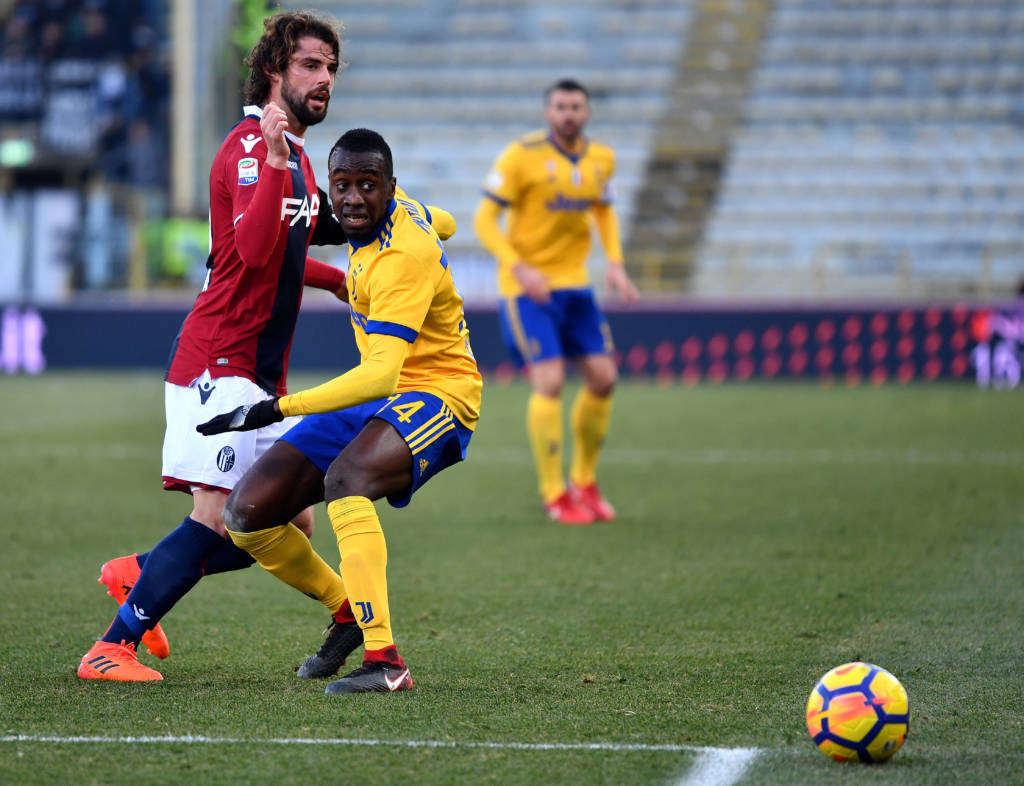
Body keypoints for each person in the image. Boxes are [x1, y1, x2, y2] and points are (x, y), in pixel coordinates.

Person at [77, 12, 453, 683]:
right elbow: (250, 254)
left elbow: (286, 250)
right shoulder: (255, 149)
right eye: (310, 65)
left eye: (331, 68)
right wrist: (278, 162)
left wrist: (340, 282)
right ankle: (111, 648)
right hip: (217, 362)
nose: (324, 79)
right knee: (219, 518)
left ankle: (144, 574)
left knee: (282, 525)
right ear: (275, 70)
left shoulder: (300, 158)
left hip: (254, 367)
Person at [195, 128, 482, 694]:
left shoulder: (403, 255)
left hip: (440, 395)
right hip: (384, 395)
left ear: (388, 186)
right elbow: (443, 219)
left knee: (345, 481)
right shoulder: (400, 212)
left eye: (368, 186)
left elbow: (380, 374)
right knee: (247, 515)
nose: (353, 199)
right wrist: (431, 222)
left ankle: (386, 661)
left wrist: (276, 408)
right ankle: (345, 611)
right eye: (343, 185)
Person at [473, 78, 639, 526]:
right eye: (561, 106)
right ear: (548, 113)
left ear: (587, 112)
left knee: (603, 378)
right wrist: (519, 267)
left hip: (576, 285)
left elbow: (603, 210)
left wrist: (616, 263)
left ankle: (584, 480)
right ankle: (553, 493)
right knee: (549, 382)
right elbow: (485, 220)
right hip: (528, 289)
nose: (568, 113)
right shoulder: (521, 156)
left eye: (576, 106)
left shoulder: (602, 159)